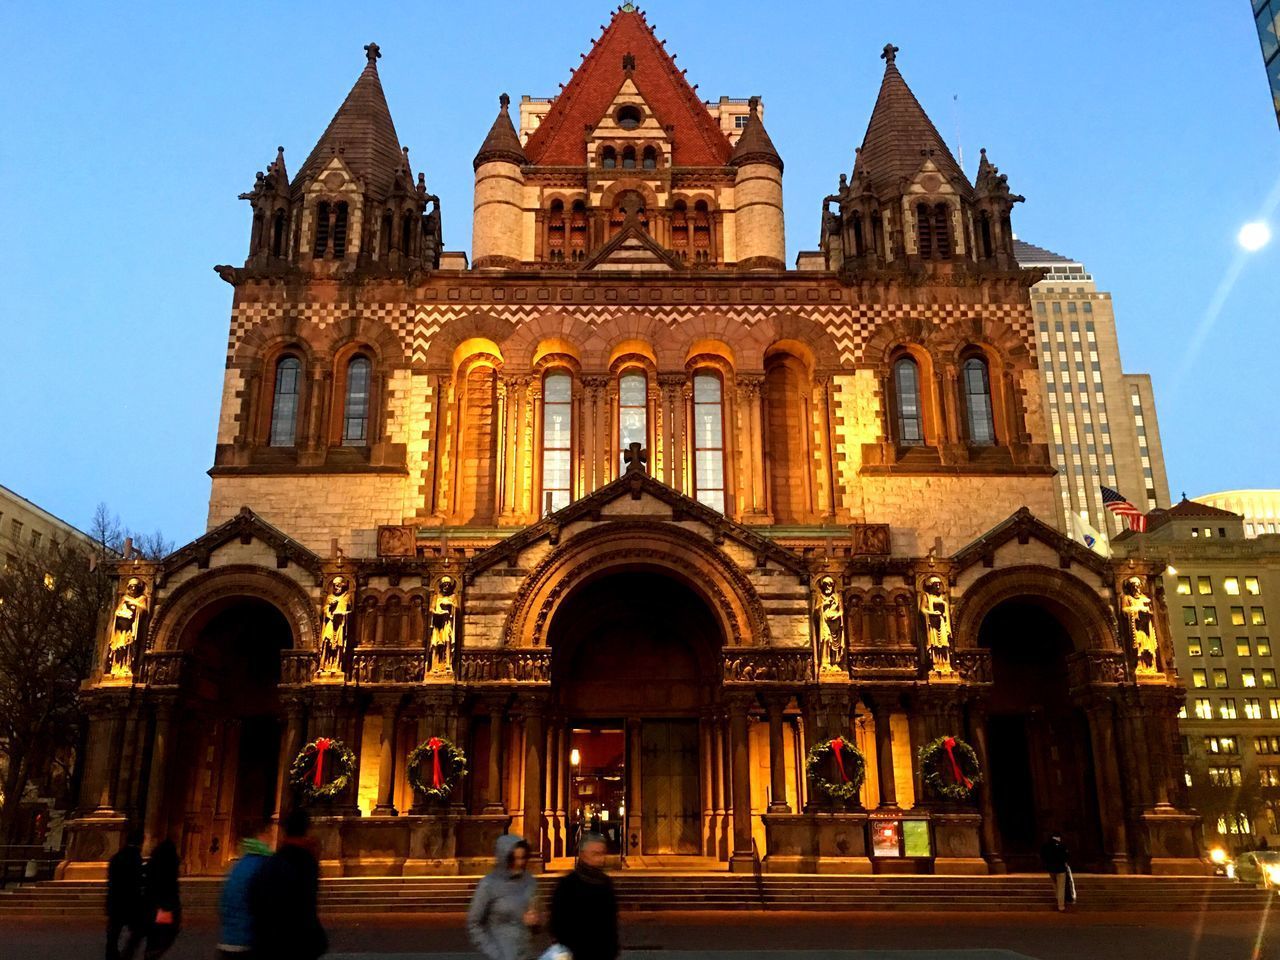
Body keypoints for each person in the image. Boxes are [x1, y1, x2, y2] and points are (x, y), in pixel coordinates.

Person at [251, 808, 327, 960]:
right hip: (298, 942)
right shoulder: (306, 862)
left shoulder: (274, 862)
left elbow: (257, 899)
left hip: (276, 941)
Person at [467, 834, 539, 960]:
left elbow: (538, 917)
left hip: (525, 955)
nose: (520, 863)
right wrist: (494, 953)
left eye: (523, 858)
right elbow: (474, 923)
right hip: (502, 953)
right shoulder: (488, 885)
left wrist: (536, 922)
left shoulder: (529, 881)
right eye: (515, 859)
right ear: (505, 858)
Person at [549, 832, 619, 960]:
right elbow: (558, 924)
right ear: (583, 855)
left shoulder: (605, 884)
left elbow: (611, 923)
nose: (601, 859)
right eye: (595, 854)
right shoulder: (568, 885)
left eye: (602, 853)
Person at [217, 821, 274, 958]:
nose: (271, 839)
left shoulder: (238, 867)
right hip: (249, 942)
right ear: (260, 836)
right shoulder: (263, 865)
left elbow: (223, 905)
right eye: (269, 834)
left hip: (229, 940)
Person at [105, 831, 145, 960]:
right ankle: (127, 952)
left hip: (115, 899)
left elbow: (111, 879)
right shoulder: (135, 857)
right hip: (130, 900)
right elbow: (137, 879)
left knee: (114, 931)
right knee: (137, 929)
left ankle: (111, 953)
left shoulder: (116, 857)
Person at [141, 839, 181, 959]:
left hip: (151, 907)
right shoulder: (171, 869)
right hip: (165, 908)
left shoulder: (151, 866)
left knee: (153, 938)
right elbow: (172, 891)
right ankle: (153, 953)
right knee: (163, 937)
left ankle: (151, 953)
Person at [1040, 832, 1072, 912]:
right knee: (1061, 887)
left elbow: (1043, 855)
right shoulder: (1062, 846)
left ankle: (1058, 898)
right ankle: (1061, 905)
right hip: (1060, 868)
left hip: (1051, 868)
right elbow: (1066, 856)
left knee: (1055, 884)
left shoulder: (1046, 846)